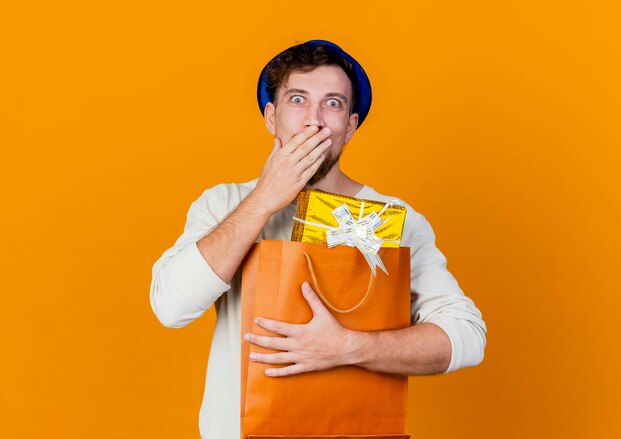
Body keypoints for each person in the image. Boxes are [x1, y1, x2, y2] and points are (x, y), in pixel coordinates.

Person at [150, 39, 486, 439]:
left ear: (351, 124)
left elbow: (467, 338)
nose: (314, 121)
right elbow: (171, 307)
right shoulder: (224, 204)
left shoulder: (396, 219)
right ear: (271, 117)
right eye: (297, 99)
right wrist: (263, 201)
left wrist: (348, 347)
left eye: (332, 103)